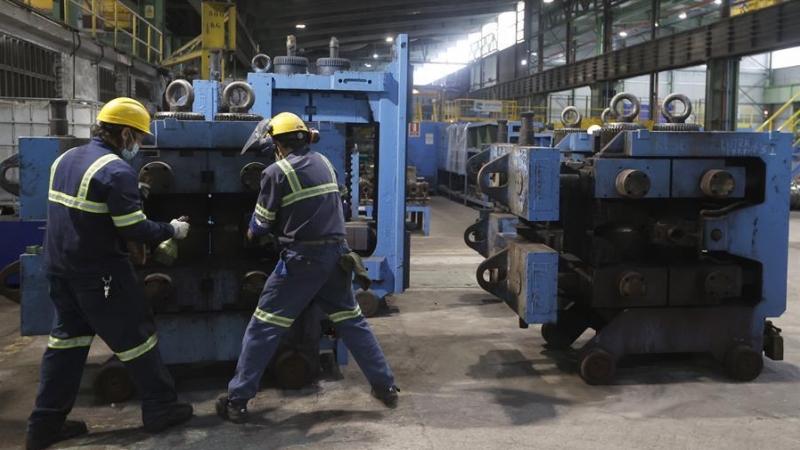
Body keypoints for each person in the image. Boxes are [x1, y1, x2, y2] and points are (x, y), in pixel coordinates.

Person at [25, 97, 194, 450]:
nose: (141, 145)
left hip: (60, 270)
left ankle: (44, 425)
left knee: (66, 346)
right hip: (98, 274)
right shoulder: (117, 171)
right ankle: (160, 408)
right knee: (138, 337)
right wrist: (172, 230)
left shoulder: (65, 159)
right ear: (125, 133)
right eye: (141, 138)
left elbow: (88, 211)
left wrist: (132, 194)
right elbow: (135, 229)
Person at [216, 112, 398, 424]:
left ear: (277, 143)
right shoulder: (324, 163)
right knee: (352, 323)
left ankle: (237, 400)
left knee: (264, 327)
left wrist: (249, 234)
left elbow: (260, 224)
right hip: (337, 257)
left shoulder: (276, 172)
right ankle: (386, 386)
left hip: (301, 262)